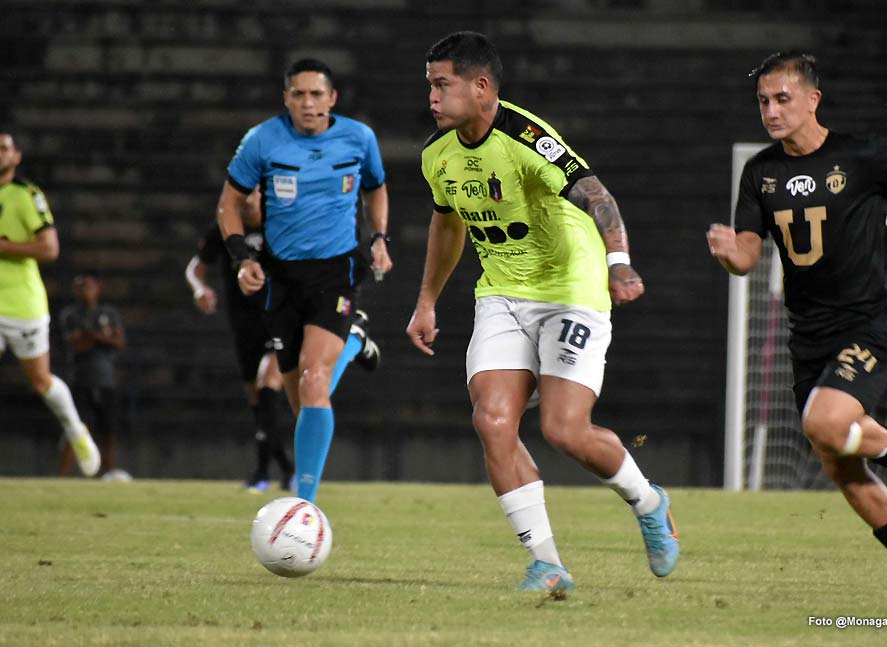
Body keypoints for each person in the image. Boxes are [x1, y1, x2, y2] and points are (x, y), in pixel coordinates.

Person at [406, 32, 679, 596]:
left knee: (563, 429)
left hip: (571, 287)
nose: (432, 97)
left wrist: (619, 264)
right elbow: (449, 223)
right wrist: (427, 300)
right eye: (429, 85)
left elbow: (598, 195)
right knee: (492, 420)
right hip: (502, 294)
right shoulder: (437, 154)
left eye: (442, 84)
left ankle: (649, 501)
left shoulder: (527, 138)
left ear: (481, 87)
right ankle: (547, 561)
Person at [706, 52, 887, 591]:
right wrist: (730, 253)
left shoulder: (859, 155)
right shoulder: (760, 174)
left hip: (871, 318)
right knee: (837, 461)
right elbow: (749, 259)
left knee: (823, 425)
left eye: (782, 99)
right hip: (810, 331)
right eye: (763, 101)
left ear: (812, 100)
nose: (771, 111)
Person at [216, 59, 392, 504]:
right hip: (283, 278)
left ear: (332, 99)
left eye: (317, 94)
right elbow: (229, 204)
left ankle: (304, 506)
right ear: (286, 98)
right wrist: (242, 259)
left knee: (315, 382)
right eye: (299, 94)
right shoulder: (262, 140)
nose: (308, 103)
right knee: (302, 404)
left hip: (336, 272)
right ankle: (353, 341)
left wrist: (379, 239)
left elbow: (375, 187)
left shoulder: (358, 138)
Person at [188, 189, 382, 493]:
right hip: (247, 323)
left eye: (256, 188)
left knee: (295, 382)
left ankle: (277, 482)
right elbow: (196, 268)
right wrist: (200, 287)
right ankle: (284, 469)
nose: (249, 195)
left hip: (285, 312)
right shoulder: (227, 228)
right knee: (277, 403)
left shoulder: (281, 222)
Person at [0, 130, 100, 477]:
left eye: (4, 149)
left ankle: (75, 430)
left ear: (16, 157)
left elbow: (49, 249)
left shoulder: (27, 196)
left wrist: (5, 246)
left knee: (41, 381)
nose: (0, 155)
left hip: (21, 303)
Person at [58, 272, 129, 480]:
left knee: (109, 431)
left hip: (106, 380)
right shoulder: (70, 315)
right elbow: (76, 345)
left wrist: (91, 336)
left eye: (88, 286)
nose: (84, 291)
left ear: (98, 288)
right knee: (75, 428)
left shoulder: (109, 313)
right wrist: (103, 338)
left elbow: (119, 342)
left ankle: (107, 474)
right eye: (80, 287)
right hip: (80, 379)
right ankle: (63, 476)